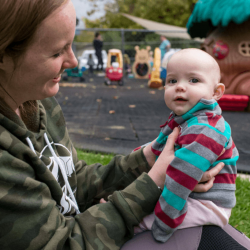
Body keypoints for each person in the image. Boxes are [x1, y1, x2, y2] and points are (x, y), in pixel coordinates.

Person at [0, 1, 248, 249]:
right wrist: (155, 181)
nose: (73, 61)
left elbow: (73, 181)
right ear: (4, 54)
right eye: (56, 52)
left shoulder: (41, 103)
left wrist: (148, 158)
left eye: (71, 46)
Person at [134, 48, 238, 242]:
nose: (180, 87)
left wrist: (163, 224)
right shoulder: (188, 118)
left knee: (136, 222)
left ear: (216, 92)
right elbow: (163, 146)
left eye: (193, 80)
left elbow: (180, 179)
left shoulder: (205, 130)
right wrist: (139, 156)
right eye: (172, 80)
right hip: (191, 194)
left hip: (208, 204)